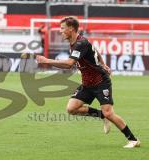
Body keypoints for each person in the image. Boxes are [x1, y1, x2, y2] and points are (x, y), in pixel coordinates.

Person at [36, 16, 140, 148]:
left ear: (71, 29)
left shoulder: (80, 44)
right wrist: (103, 63)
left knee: (109, 112)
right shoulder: (76, 42)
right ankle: (101, 116)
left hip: (101, 82)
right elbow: (94, 49)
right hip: (87, 83)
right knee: (71, 108)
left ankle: (133, 139)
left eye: (62, 28)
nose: (60, 31)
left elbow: (69, 64)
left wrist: (47, 61)